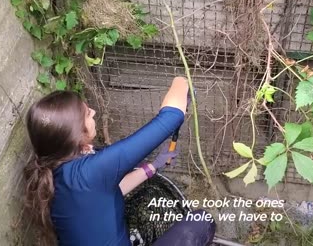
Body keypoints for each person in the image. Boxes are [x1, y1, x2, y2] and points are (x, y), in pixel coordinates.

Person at [24, 77, 215, 245]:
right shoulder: (90, 171)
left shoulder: (54, 170)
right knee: (201, 222)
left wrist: (153, 166)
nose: (93, 112)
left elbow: (110, 193)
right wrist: (183, 81)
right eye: (87, 114)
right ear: (75, 133)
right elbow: (171, 117)